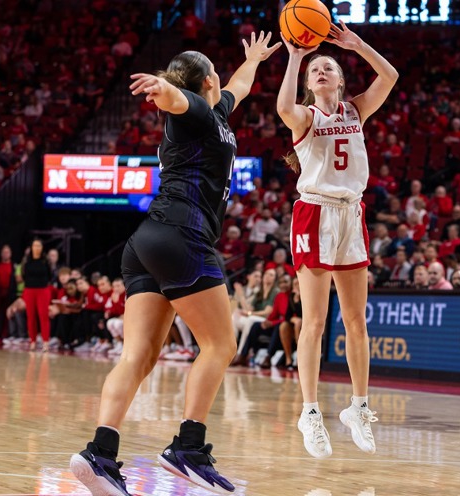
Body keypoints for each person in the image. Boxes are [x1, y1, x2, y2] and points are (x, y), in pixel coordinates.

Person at [70, 33, 282, 496]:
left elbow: (239, 88)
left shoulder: (219, 111)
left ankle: (99, 454)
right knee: (221, 344)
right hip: (183, 238)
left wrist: (253, 61)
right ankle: (188, 448)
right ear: (208, 78)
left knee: (140, 355)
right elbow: (179, 100)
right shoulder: (197, 112)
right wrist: (160, 89)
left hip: (147, 241)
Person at [277, 20, 398, 459]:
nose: (322, 72)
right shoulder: (305, 116)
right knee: (313, 322)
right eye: (316, 70)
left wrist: (357, 43)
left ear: (341, 79)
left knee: (356, 322)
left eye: (328, 67)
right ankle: (309, 412)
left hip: (352, 214)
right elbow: (283, 107)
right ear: (309, 85)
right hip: (314, 213)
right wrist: (294, 58)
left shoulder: (355, 110)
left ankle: (358, 407)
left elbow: (390, 77)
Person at [22, 239, 53, 351]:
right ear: (31, 247)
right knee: (31, 316)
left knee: (43, 316)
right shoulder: (26, 261)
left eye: (39, 245)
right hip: (29, 290)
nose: (37, 248)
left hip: (43, 290)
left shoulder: (46, 261)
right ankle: (33, 341)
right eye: (35, 245)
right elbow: (24, 275)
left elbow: (50, 275)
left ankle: (45, 342)